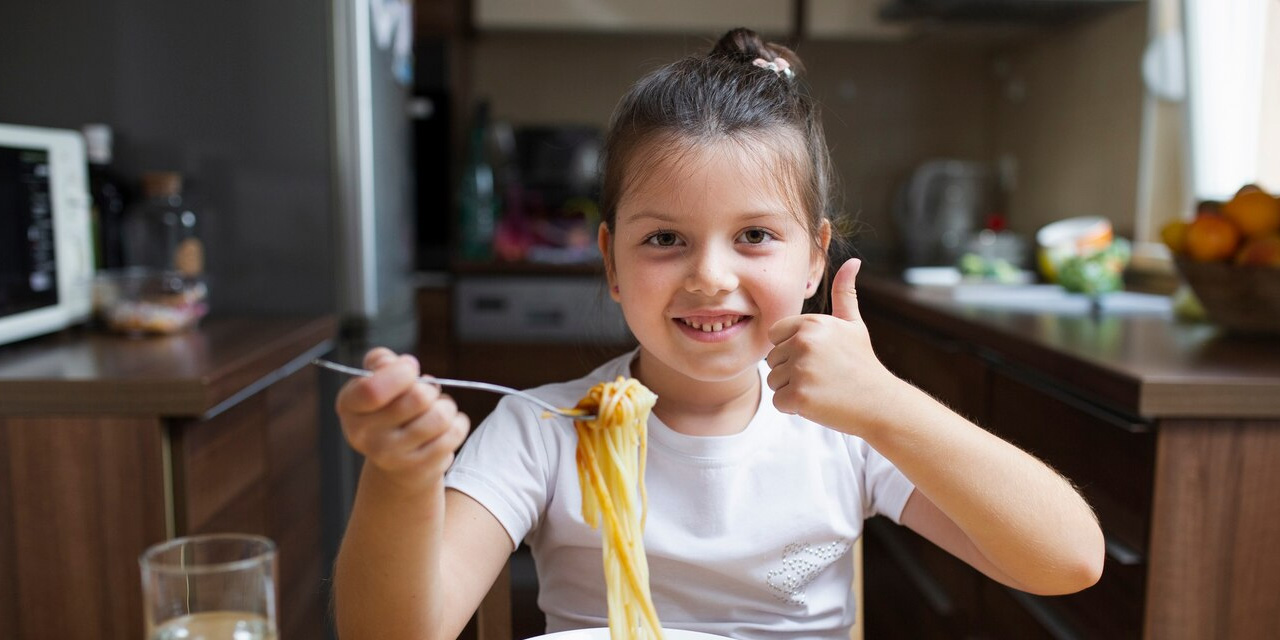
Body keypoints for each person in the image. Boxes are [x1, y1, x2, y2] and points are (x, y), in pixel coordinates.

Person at [332, 28, 1104, 640]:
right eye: (665, 239)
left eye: (755, 236)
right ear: (609, 261)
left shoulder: (851, 433)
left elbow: (1068, 561)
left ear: (814, 257)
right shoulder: (541, 432)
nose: (709, 276)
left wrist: (887, 405)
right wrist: (398, 478)